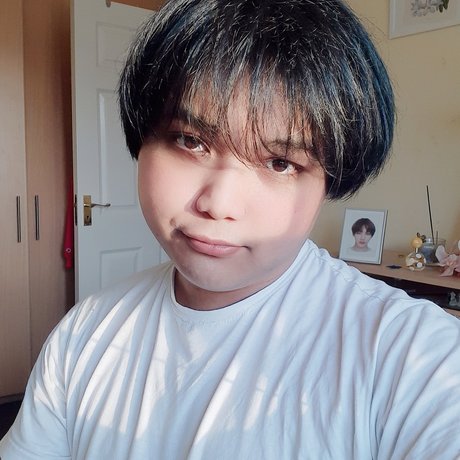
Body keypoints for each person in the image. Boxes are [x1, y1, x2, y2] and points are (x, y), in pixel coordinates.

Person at [1, 0, 459, 458]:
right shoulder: (85, 333)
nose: (218, 204)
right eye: (191, 141)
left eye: (280, 163)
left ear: (329, 181)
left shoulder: (415, 359)